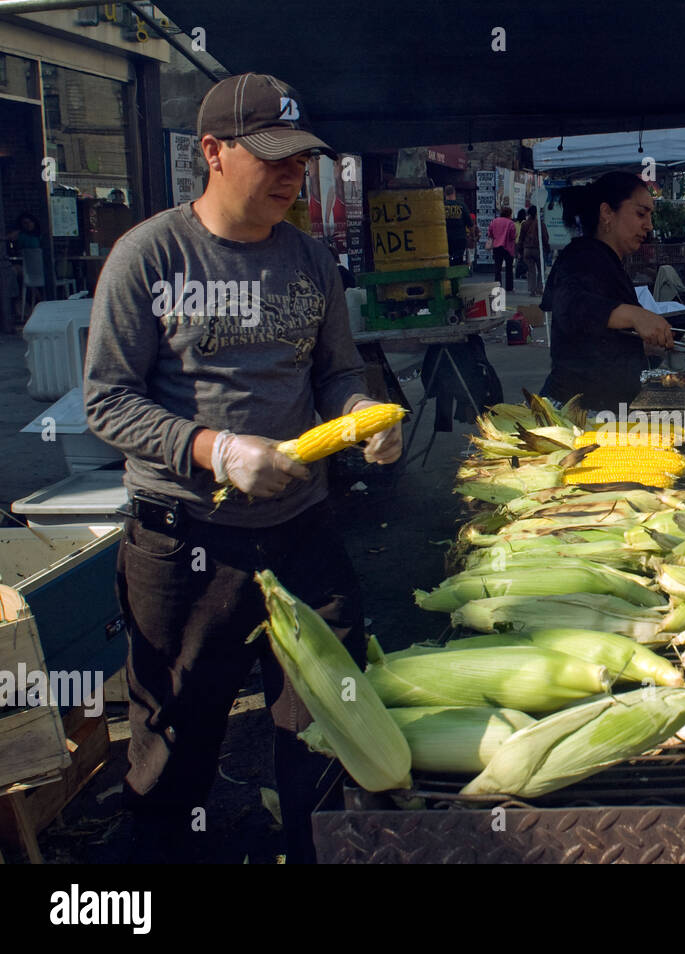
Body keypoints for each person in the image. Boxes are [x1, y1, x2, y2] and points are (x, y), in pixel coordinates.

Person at [82, 73, 403, 864]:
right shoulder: (148, 256)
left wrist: (360, 415)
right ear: (213, 153)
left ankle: (317, 849)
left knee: (331, 721)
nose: (294, 173)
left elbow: (333, 371)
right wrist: (214, 450)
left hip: (301, 531)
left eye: (302, 159)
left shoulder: (309, 259)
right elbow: (107, 401)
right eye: (274, 157)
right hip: (186, 546)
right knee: (176, 747)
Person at [539, 171, 674, 412]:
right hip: (578, 410)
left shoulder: (608, 260)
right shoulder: (581, 256)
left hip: (606, 404)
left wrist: (640, 347)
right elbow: (570, 305)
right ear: (606, 213)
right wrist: (635, 315)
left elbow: (593, 339)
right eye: (640, 214)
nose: (649, 225)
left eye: (650, 216)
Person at [518, 205, 551, 296]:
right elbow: (545, 237)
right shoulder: (540, 224)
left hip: (527, 250)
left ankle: (532, 290)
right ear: (536, 213)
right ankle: (539, 289)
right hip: (537, 249)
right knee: (541, 269)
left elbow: (521, 238)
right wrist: (547, 248)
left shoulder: (524, 224)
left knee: (531, 270)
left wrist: (519, 251)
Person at [442, 184, 473, 266]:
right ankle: (456, 276)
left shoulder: (441, 206)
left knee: (446, 260)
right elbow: (470, 223)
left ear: (445, 194)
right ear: (454, 193)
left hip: (445, 239)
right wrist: (472, 236)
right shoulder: (461, 205)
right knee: (458, 260)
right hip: (460, 239)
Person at [488, 205, 517, 291]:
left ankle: (497, 285)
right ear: (509, 214)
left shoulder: (494, 221)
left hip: (497, 247)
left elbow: (490, 233)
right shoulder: (510, 223)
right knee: (509, 268)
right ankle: (509, 287)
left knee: (497, 268)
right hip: (508, 248)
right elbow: (512, 236)